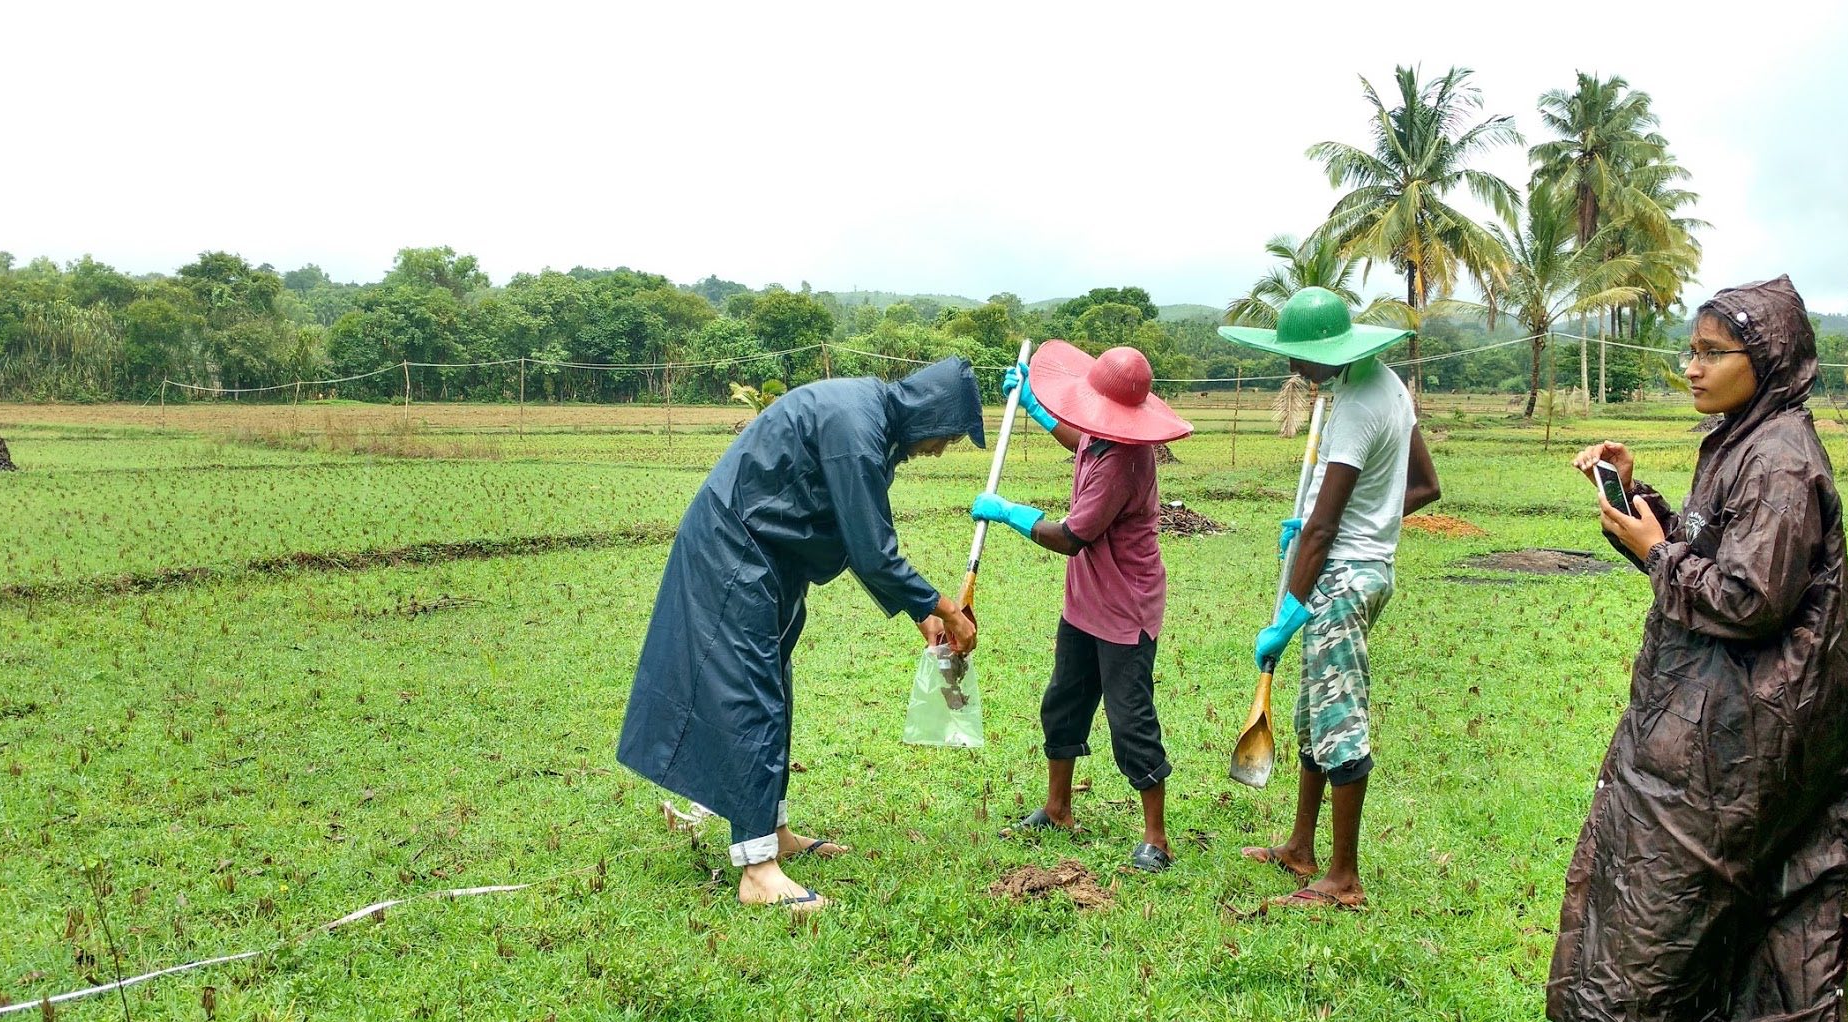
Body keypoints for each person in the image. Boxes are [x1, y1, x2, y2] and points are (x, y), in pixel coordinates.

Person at [1544, 276, 1848, 1022]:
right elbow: (1712, 546)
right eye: (1689, 351)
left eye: (1709, 353)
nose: (1691, 368)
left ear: (1763, 361)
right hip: (1797, 716)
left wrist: (1655, 554)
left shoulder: (1778, 460)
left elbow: (1746, 597)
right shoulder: (1751, 441)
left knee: (1662, 857)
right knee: (1798, 884)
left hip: (1751, 718)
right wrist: (1637, 498)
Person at [617, 358, 984, 914]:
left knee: (775, 691)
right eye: (948, 437)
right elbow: (873, 551)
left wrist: (920, 613)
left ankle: (774, 830)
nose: (941, 450)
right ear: (930, 413)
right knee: (751, 697)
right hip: (734, 551)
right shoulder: (859, 430)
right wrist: (947, 610)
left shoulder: (873, 424)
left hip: (773, 560)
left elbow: (851, 528)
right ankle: (757, 870)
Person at [1217, 287, 1442, 907]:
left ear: (1331, 351)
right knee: (1315, 714)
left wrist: (1290, 607)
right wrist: (1369, 522)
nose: (1295, 370)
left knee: (1339, 721)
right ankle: (1300, 848)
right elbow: (1423, 485)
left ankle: (1343, 878)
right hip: (1357, 567)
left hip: (1341, 579)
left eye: (1301, 358)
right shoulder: (1387, 384)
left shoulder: (1356, 408)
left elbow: (1320, 528)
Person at [970, 342, 1193, 872]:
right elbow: (1081, 442)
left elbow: (1072, 536)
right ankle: (1058, 808)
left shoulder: (1126, 463)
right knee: (1064, 702)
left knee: (1130, 721)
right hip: (1084, 603)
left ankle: (1157, 838)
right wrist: (1034, 407)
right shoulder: (1104, 435)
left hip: (1125, 609)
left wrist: (1011, 515)